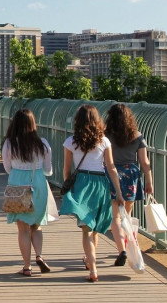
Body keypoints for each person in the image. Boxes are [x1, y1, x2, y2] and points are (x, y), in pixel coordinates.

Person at [59, 104, 124, 282]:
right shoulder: (104, 141)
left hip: (81, 182)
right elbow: (111, 167)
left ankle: (92, 268)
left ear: (77, 121)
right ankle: (90, 262)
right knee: (94, 228)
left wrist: (69, 188)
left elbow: (66, 170)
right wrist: (118, 192)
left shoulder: (71, 141)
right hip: (100, 183)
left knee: (87, 228)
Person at [2, 109, 54, 277]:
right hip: (37, 182)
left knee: (23, 228)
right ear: (33, 124)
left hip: (18, 183)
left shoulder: (10, 143)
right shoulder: (43, 143)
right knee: (36, 225)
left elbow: (7, 167)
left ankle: (27, 266)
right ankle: (39, 255)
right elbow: (48, 169)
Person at [105, 103, 153, 267]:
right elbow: (144, 162)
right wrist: (149, 181)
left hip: (112, 174)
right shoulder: (137, 136)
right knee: (127, 214)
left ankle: (121, 251)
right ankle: (126, 246)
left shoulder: (105, 136)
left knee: (115, 216)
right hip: (131, 175)